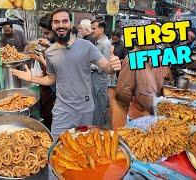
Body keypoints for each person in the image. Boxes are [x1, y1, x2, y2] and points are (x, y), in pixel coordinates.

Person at [12, 8, 121, 139]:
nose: (61, 25)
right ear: (52, 25)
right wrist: (32, 78)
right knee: (57, 146)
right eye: (56, 22)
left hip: (85, 110)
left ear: (70, 24)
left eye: (65, 21)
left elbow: (107, 68)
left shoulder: (86, 46)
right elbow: (52, 78)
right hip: (62, 110)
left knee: (83, 146)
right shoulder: (50, 52)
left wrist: (113, 66)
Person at [114, 44, 172, 129]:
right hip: (139, 114)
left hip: (154, 113)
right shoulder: (133, 58)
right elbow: (123, 91)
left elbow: (166, 80)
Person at [36, 14, 56, 130]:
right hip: (50, 89)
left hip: (55, 92)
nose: (44, 36)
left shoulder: (63, 49)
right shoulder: (53, 47)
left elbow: (58, 72)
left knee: (51, 118)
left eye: (47, 33)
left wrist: (42, 60)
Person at [90, 19, 111, 127]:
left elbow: (106, 66)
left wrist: (89, 64)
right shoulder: (97, 43)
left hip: (100, 80)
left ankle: (97, 131)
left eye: (94, 28)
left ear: (101, 29)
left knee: (99, 106)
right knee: (94, 105)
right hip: (94, 79)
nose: (91, 31)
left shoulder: (105, 44)